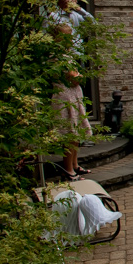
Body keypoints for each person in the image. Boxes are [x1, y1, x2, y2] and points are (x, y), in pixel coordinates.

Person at [50, 24, 92, 180]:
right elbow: (74, 77)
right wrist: (78, 76)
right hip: (65, 98)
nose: (70, 39)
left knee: (76, 133)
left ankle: (75, 164)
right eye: (66, 36)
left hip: (74, 96)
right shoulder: (57, 56)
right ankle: (68, 169)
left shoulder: (67, 54)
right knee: (69, 134)